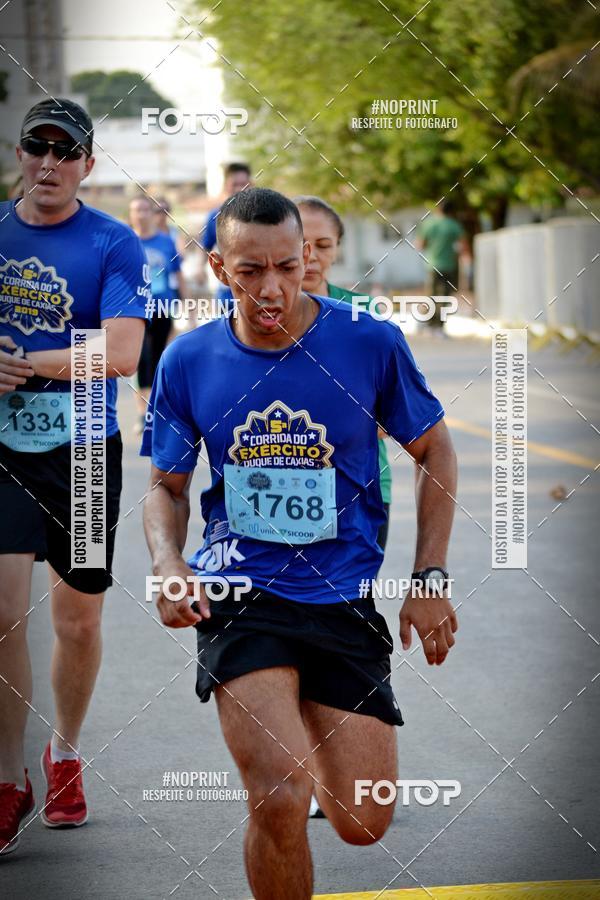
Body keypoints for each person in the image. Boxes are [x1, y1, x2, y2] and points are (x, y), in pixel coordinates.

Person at [141, 187, 458, 900]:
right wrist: (167, 563)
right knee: (280, 794)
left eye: (289, 265)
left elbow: (435, 450)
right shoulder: (188, 360)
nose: (273, 287)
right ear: (221, 268)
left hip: (342, 595)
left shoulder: (368, 340)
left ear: (308, 257)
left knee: (363, 818)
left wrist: (429, 578)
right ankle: (280, 751)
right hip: (239, 591)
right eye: (251, 272)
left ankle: (306, 729)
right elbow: (166, 486)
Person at [0, 98, 149, 854]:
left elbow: (121, 353)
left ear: (88, 163)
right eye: (38, 147)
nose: (50, 162)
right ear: (21, 153)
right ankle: (7, 777)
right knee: (2, 614)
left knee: (77, 621)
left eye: (67, 150)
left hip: (86, 452)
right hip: (2, 450)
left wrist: (27, 365)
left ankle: (63, 751)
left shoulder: (115, 244)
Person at [295, 195, 392, 552]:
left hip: (360, 486)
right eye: (301, 245)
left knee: (353, 602)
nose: (312, 256)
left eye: (323, 245)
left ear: (337, 249)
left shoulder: (366, 317)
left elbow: (394, 412)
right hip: (279, 484)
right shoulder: (257, 320)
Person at [129, 194, 187, 434]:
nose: (141, 214)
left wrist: (186, 305)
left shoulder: (165, 242)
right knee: (140, 360)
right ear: (131, 214)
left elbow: (178, 275)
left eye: (145, 209)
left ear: (152, 214)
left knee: (160, 359)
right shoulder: (127, 241)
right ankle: (143, 414)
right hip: (136, 309)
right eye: (137, 210)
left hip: (163, 307)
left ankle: (156, 410)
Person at [198, 162, 252, 305]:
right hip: (226, 290)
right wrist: (200, 269)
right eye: (235, 184)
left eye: (244, 183)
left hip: (254, 289)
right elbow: (206, 246)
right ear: (227, 185)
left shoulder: (260, 215)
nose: (240, 188)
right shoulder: (215, 216)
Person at [415, 199, 471, 331]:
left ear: (438, 209)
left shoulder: (429, 224)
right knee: (444, 297)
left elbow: (419, 245)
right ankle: (437, 327)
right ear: (451, 211)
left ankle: (424, 322)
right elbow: (464, 246)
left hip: (432, 265)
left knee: (431, 295)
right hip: (448, 265)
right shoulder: (454, 225)